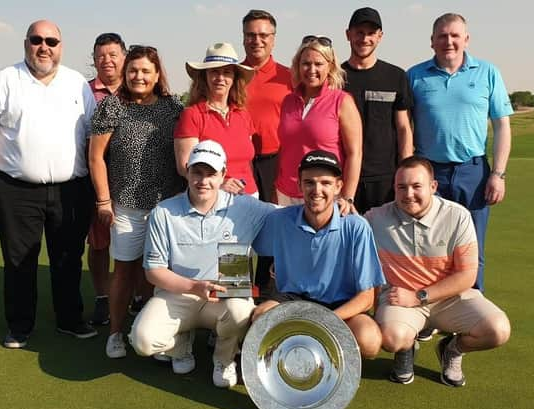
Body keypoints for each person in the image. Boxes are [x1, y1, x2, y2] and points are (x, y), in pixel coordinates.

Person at [0, 20, 98, 348]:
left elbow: (94, 135)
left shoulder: (77, 83)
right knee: (19, 259)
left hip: (71, 189)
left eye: (51, 41)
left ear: (60, 46)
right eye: (37, 40)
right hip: (15, 190)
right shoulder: (3, 80)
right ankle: (20, 325)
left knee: (68, 258)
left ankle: (70, 320)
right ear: (26, 43)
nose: (44, 46)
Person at [129, 140, 276, 388]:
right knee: (143, 341)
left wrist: (333, 205)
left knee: (241, 311)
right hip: (178, 294)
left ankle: (224, 359)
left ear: (223, 176)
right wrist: (194, 286)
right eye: (197, 172)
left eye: (211, 174)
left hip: (224, 296)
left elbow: (288, 215)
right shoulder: (164, 212)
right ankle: (179, 346)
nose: (203, 181)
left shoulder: (245, 206)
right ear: (187, 171)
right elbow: (153, 271)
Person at [365, 156, 511, 386]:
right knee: (393, 338)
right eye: (401, 187)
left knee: (498, 330)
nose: (408, 194)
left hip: (449, 297)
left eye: (416, 186)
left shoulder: (457, 215)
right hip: (400, 299)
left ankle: (451, 350)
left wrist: (419, 296)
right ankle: (406, 347)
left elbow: (467, 276)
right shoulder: (376, 218)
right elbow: (347, 227)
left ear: (433, 187)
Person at [88, 45, 185, 359]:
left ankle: (158, 336)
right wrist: (104, 201)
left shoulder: (173, 108)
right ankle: (116, 332)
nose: (138, 76)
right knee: (125, 271)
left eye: (145, 71)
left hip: (167, 206)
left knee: (161, 273)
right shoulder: (112, 107)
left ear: (157, 75)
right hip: (127, 206)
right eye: (133, 70)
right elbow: (96, 157)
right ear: (125, 73)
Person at [407, 13, 513, 292]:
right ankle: (429, 308)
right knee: (429, 247)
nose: (449, 41)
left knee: (472, 248)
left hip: (473, 171)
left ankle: (471, 313)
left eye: (455, 35)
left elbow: (502, 126)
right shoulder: (415, 76)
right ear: (432, 42)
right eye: (442, 36)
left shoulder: (488, 72)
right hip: (429, 172)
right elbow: (404, 126)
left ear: (466, 39)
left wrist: (498, 174)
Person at [252, 150, 383, 359]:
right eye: (309, 182)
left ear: (338, 186)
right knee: (261, 317)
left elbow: (367, 298)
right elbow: (239, 233)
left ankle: (325, 358)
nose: (317, 190)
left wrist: (324, 320)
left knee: (369, 341)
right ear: (299, 185)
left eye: (325, 183)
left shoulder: (356, 226)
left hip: (340, 305)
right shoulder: (279, 219)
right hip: (293, 298)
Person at [240, 9, 292, 298]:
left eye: (263, 35)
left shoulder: (289, 76)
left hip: (277, 162)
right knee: (236, 234)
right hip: (239, 164)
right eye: (251, 35)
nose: (256, 40)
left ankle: (267, 297)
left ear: (273, 39)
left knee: (273, 231)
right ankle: (234, 300)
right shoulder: (234, 74)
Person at [276, 35, 362, 209]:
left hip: (323, 194)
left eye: (318, 64)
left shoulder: (342, 101)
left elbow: (355, 153)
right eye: (306, 63)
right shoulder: (288, 102)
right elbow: (286, 149)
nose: (311, 69)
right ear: (298, 66)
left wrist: (348, 197)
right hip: (286, 195)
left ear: (330, 66)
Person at [342, 7, 413, 213]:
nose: (365, 38)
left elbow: (403, 129)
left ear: (380, 36)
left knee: (385, 243)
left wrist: (405, 172)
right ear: (348, 35)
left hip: (385, 179)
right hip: (344, 178)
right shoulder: (335, 77)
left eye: (371, 33)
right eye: (359, 32)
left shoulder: (396, 76)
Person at [174, 42, 258, 197]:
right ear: (204, 76)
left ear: (234, 78)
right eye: (214, 72)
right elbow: (184, 166)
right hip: (213, 198)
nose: (220, 78)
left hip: (250, 196)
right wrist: (220, 184)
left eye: (227, 72)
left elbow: (248, 163)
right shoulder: (192, 115)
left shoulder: (243, 115)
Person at [86, 32, 127, 326]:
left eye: (113, 54)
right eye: (101, 55)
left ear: (124, 56)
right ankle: (102, 296)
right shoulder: (84, 90)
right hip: (94, 178)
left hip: (133, 180)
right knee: (99, 242)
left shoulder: (138, 86)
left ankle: (136, 295)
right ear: (94, 59)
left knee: (135, 242)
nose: (107, 60)